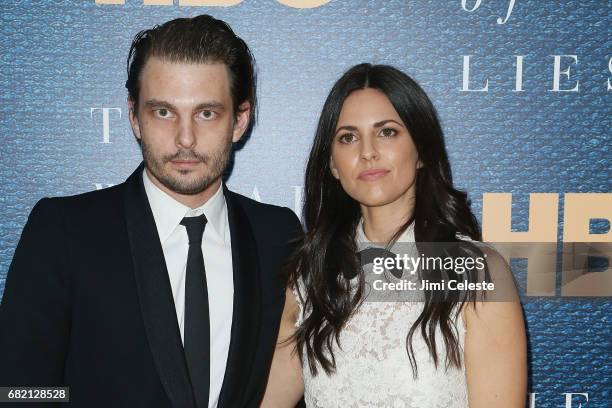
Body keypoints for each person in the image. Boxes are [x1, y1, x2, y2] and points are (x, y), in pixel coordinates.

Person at [0, 15, 302, 408]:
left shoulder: (277, 234)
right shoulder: (63, 230)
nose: (185, 138)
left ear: (240, 120)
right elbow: (20, 391)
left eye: (206, 113)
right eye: (163, 112)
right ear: (134, 117)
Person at [262, 63, 527, 407]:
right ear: (332, 164)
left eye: (387, 132)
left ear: (421, 151)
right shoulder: (309, 279)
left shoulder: (476, 273)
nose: (367, 151)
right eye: (348, 137)